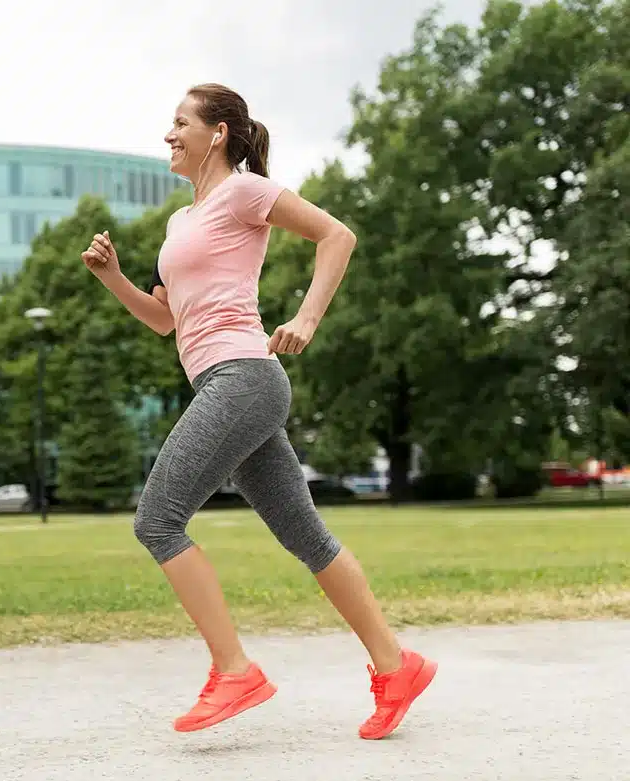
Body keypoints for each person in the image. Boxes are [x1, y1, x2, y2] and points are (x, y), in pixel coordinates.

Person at [81, 83, 436, 740]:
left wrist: (306, 316)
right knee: (306, 537)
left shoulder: (244, 191)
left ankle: (234, 670)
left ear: (217, 133)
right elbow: (166, 320)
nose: (168, 133)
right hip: (225, 384)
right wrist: (114, 278)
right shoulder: (180, 222)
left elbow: (337, 234)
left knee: (157, 522)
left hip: (243, 377)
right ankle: (397, 665)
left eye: (179, 122)